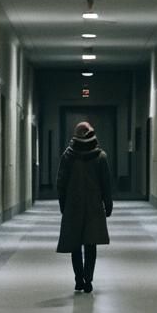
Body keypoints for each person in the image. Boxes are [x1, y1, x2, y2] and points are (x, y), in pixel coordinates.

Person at [56, 121, 113, 293]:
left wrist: (63, 205)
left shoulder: (68, 156)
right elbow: (106, 185)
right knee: (90, 244)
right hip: (94, 208)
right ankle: (88, 280)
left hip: (73, 207)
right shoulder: (100, 157)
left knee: (75, 244)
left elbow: (61, 183)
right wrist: (108, 204)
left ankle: (78, 279)